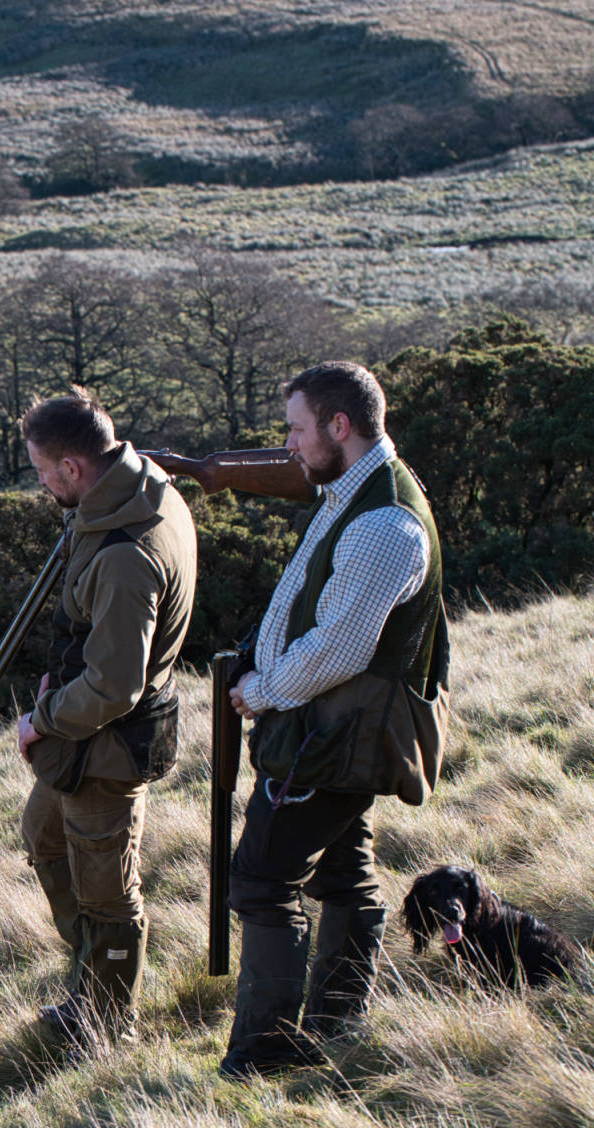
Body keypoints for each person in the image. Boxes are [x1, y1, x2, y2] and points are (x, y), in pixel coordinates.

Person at [214, 361, 446, 1078]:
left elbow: (342, 646)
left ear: (338, 427)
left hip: (334, 736)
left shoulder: (383, 520)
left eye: (296, 428)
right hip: (332, 733)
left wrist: (264, 688)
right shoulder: (352, 494)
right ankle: (337, 1026)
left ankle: (268, 1053)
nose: (287, 445)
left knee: (261, 880)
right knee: (344, 878)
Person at [14, 388, 198, 1048]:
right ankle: (89, 981)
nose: (39, 484)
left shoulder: (126, 550)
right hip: (87, 735)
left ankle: (107, 1021)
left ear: (72, 467)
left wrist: (44, 719)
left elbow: (115, 683)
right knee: (44, 835)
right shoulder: (136, 485)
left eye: (41, 471)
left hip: (106, 742)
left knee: (107, 891)